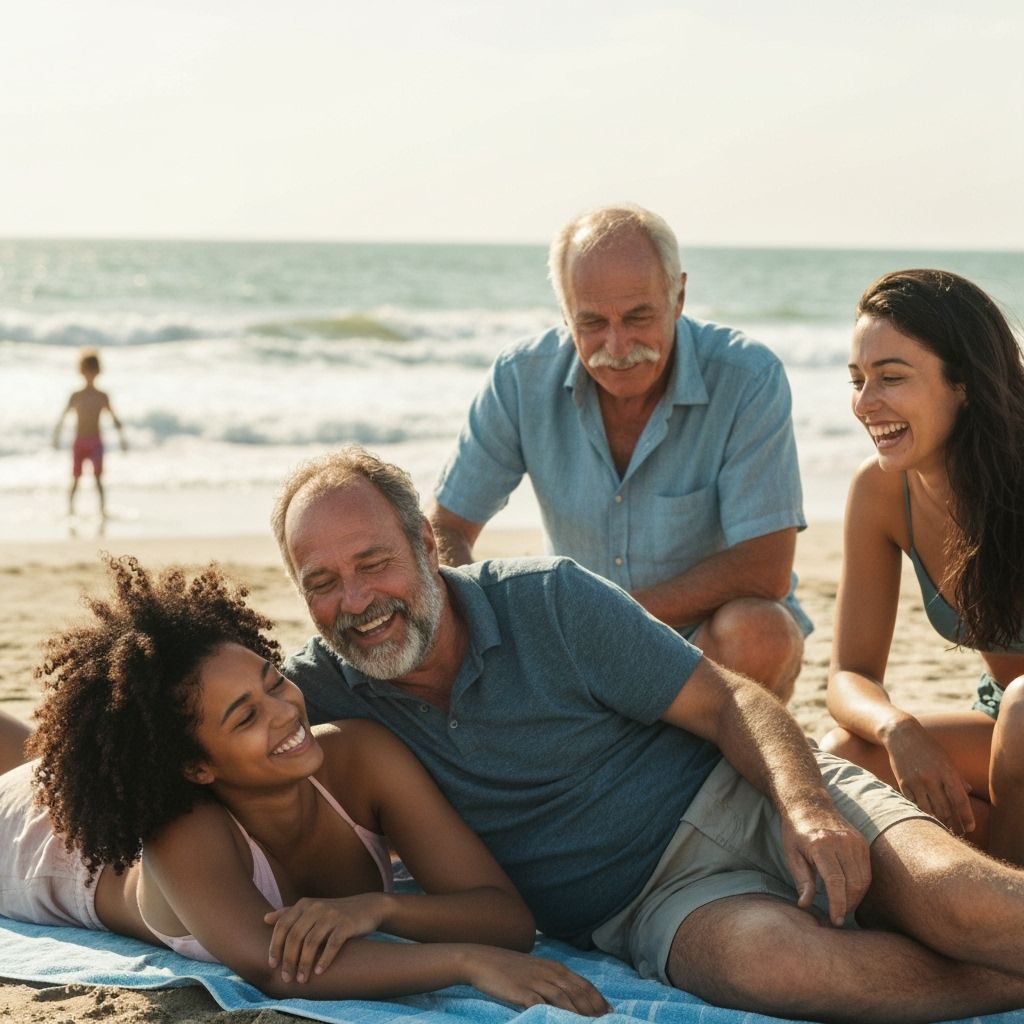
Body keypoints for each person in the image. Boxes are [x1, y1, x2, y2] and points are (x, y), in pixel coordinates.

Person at [276, 445, 1024, 1024]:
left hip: (751, 793)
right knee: (779, 970)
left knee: (965, 908)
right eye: (322, 581)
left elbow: (730, 703)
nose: (357, 600)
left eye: (374, 562)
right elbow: (201, 729)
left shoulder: (550, 599)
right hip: (651, 908)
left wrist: (806, 805)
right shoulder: (313, 691)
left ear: (427, 549)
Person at [0, 555, 608, 1015]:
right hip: (22, 841)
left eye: (272, 681)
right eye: (245, 716)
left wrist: (380, 907)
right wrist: (465, 961)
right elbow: (278, 969)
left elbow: (506, 919)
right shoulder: (182, 830)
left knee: (26, 747)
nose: (285, 712)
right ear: (196, 768)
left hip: (54, 789)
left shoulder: (361, 757)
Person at [428, 205, 809, 699]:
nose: (618, 344)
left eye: (638, 316)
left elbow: (765, 569)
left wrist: (605, 618)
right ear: (565, 313)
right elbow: (446, 527)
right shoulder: (521, 377)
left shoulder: (748, 377)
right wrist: (488, 626)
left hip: (701, 645)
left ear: (678, 296)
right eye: (591, 322)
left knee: (762, 631)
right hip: (574, 649)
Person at [821, 269, 1024, 864]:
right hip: (1006, 736)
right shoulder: (883, 493)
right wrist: (897, 728)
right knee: (844, 757)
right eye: (857, 380)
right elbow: (848, 676)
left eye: (891, 378)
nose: (865, 403)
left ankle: (1001, 933)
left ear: (962, 382)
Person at [52, 347, 126, 518]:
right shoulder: (75, 395)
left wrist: (122, 439)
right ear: (81, 371)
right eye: (86, 370)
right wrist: (56, 435)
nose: (89, 374)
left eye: (92, 370)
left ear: (98, 371)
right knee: (76, 479)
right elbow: (63, 417)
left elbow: (114, 418)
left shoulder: (102, 396)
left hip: (96, 442)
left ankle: (102, 511)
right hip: (79, 442)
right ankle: (70, 511)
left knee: (98, 479)